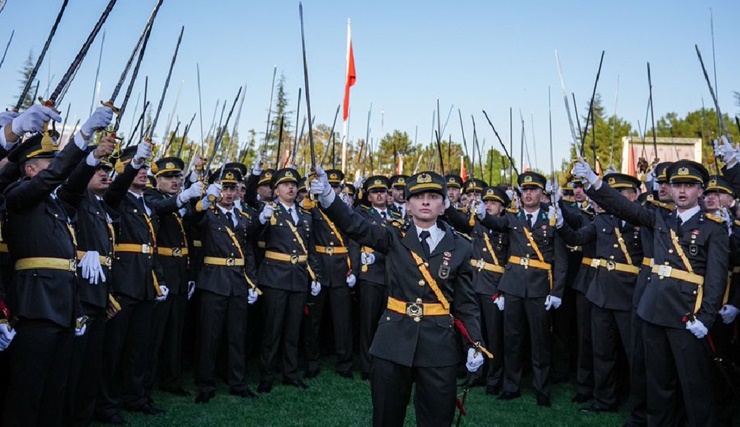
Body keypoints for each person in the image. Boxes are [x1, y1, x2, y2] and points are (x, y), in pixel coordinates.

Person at [310, 167, 487, 427]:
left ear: (444, 204)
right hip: (393, 341)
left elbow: (466, 303)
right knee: (386, 417)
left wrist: (475, 342)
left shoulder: (460, 245)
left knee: (437, 419)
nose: (425, 201)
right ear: (408, 205)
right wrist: (327, 196)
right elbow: (354, 225)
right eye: (418, 196)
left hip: (439, 346)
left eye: (433, 196)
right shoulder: (393, 235)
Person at [573, 158, 728, 427]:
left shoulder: (713, 228)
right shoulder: (659, 217)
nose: (682, 191)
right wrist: (594, 182)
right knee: (658, 383)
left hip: (687, 316)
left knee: (694, 384)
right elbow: (623, 207)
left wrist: (705, 318)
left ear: (700, 191)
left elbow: (715, 279)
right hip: (653, 311)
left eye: (689, 186)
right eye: (677, 185)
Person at [3, 105, 112, 427]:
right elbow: (58, 175)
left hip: (64, 304)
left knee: (56, 387)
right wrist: (82, 137)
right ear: (31, 169)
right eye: (49, 164)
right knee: (28, 388)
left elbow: (73, 184)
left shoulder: (56, 204)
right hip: (36, 302)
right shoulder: (19, 195)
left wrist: (90, 158)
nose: (56, 169)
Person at [475, 171, 568, 406]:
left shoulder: (552, 219)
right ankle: (511, 385)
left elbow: (561, 260)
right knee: (512, 339)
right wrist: (482, 214)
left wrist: (556, 292)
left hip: (539, 288)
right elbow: (494, 222)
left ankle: (542, 389)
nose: (528, 193)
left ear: (541, 193)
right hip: (514, 286)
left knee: (540, 342)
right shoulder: (513, 218)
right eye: (524, 190)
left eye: (533, 189)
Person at [554, 173, 644, 413]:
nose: (611, 200)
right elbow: (577, 237)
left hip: (629, 294)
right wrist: (561, 223)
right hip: (601, 293)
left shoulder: (642, 222)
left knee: (634, 354)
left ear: (633, 197)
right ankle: (604, 400)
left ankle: (639, 406)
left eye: (619, 195)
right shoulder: (602, 220)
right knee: (601, 351)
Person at [96, 141, 168, 423]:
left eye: (143, 167)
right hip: (124, 282)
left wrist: (159, 279)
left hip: (145, 281)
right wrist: (132, 164)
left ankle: (136, 396)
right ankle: (107, 403)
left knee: (140, 347)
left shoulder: (146, 203)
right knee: (115, 349)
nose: (142, 173)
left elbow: (151, 245)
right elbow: (115, 190)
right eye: (133, 167)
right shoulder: (115, 197)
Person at [61, 136, 119, 427]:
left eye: (107, 169)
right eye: (99, 169)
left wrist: (106, 295)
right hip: (79, 294)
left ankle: (84, 415)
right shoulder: (76, 197)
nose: (104, 173)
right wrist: (91, 157)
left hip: (97, 294)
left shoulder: (99, 205)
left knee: (92, 364)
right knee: (75, 363)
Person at [193, 168, 260, 403]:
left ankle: (237, 382)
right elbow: (192, 219)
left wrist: (252, 282)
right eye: (224, 188)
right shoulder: (207, 214)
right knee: (210, 336)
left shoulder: (243, 219)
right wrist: (203, 199)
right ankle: (205, 384)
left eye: (232, 188)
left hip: (238, 282)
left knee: (237, 336)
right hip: (214, 280)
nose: (229, 193)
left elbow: (248, 252)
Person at [256, 168, 322, 393]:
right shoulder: (269, 211)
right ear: (276, 190)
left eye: (294, 184)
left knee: (293, 329)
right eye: (285, 184)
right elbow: (252, 236)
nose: (291, 188)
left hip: (298, 278)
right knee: (272, 330)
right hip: (275, 276)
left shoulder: (305, 215)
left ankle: (290, 373)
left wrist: (315, 276)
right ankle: (267, 375)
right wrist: (262, 219)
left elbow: (310, 248)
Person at [144, 156, 203, 397]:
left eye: (178, 176)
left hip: (180, 271)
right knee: (155, 333)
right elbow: (161, 208)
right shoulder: (151, 197)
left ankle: (171, 378)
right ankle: (146, 382)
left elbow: (193, 225)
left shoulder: (180, 202)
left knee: (175, 333)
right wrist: (184, 197)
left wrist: (202, 201)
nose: (175, 181)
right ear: (157, 180)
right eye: (169, 177)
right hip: (162, 271)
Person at [444, 185, 510, 396]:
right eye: (486, 202)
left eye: (493, 203)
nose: (488, 205)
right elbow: (460, 222)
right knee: (474, 333)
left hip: (494, 286)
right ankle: (476, 373)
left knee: (494, 336)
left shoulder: (507, 227)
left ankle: (494, 377)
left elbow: (511, 260)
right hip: (475, 283)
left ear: (502, 208)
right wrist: (447, 206)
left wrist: (504, 289)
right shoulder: (477, 223)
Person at [304, 169, 356, 379]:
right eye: (329, 186)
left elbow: (353, 240)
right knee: (313, 320)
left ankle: (345, 363)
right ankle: (311, 362)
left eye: (335, 187)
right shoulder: (312, 209)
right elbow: (307, 240)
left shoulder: (343, 210)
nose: (332, 189)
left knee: (343, 320)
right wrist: (313, 272)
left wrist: (354, 269)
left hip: (341, 268)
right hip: (320, 267)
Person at [353, 175, 403, 381]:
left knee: (388, 323)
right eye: (375, 192)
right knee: (368, 323)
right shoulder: (362, 214)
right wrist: (355, 271)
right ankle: (367, 365)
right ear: (368, 196)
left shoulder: (397, 214)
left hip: (391, 274)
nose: (380, 194)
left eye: (383, 191)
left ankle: (385, 362)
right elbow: (354, 242)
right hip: (370, 274)